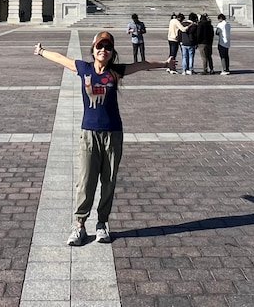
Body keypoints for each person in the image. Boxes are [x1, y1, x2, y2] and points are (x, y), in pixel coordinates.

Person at [33, 32, 175, 246]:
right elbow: (62, 59)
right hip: (89, 133)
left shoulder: (116, 71)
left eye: (108, 47)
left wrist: (164, 63)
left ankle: (102, 223)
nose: (103, 50)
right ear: (93, 48)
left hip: (113, 133)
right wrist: (42, 51)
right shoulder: (84, 68)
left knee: (109, 181)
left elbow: (142, 64)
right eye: (100, 46)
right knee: (86, 181)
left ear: (112, 52)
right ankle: (79, 225)